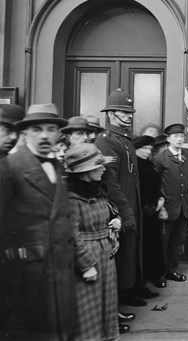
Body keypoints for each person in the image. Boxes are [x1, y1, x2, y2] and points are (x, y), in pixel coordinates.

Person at [0, 103, 76, 339]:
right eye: (37, 129)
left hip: (60, 270)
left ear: (58, 134)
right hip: (25, 276)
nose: (44, 135)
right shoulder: (8, 168)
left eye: (51, 129)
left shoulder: (56, 166)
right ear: (25, 133)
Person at [94, 88, 154, 314]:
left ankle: (127, 293)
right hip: (119, 211)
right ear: (111, 114)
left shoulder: (124, 139)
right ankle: (113, 309)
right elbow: (111, 183)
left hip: (131, 207)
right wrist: (126, 213)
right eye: (123, 112)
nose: (129, 116)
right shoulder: (106, 141)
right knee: (119, 260)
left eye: (130, 112)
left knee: (130, 256)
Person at [64, 143, 123, 339]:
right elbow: (70, 235)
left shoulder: (98, 190)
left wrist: (115, 221)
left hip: (105, 256)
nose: (104, 169)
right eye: (99, 166)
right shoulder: (71, 199)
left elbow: (108, 213)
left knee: (105, 308)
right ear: (85, 171)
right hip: (88, 258)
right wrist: (86, 265)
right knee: (87, 311)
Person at [153, 123, 188, 283]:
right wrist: (161, 204)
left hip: (184, 207)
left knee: (177, 241)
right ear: (168, 139)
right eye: (175, 136)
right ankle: (160, 274)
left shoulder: (187, 157)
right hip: (167, 207)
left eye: (181, 136)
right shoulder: (160, 159)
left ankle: (172, 270)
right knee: (163, 242)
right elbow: (157, 184)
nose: (179, 139)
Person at [134, 135, 167, 288]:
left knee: (155, 244)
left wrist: (160, 198)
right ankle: (148, 277)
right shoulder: (135, 166)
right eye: (144, 148)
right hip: (144, 213)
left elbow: (155, 186)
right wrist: (154, 206)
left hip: (153, 211)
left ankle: (156, 275)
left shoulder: (149, 164)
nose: (148, 151)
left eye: (149, 149)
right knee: (147, 246)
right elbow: (140, 191)